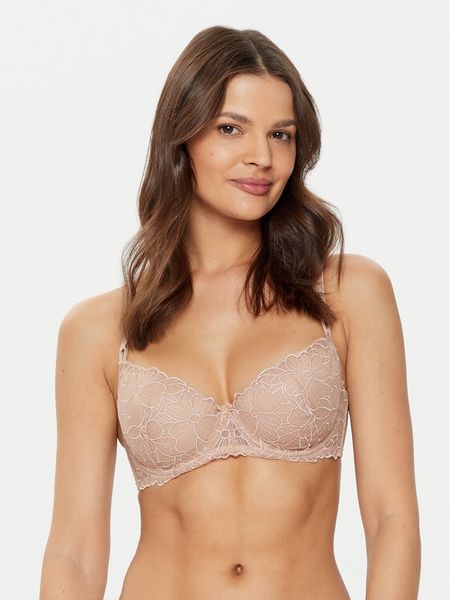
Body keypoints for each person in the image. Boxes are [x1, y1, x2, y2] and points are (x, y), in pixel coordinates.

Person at [39, 25, 421, 600]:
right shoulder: (97, 332)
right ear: (181, 137)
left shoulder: (348, 295)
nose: (262, 157)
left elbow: (393, 519)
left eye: (281, 134)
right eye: (230, 128)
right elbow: (74, 554)